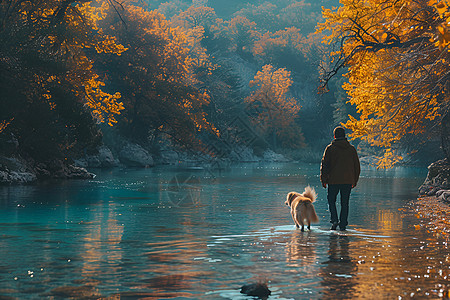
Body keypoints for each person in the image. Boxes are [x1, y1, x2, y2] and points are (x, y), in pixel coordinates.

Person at [320, 126, 360, 231]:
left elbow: (324, 165)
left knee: (331, 200)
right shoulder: (351, 149)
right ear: (345, 136)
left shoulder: (330, 149)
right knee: (345, 203)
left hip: (333, 181)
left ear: (334, 136)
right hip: (347, 181)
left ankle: (334, 220)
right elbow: (357, 167)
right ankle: (343, 224)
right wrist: (354, 181)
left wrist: (324, 180)